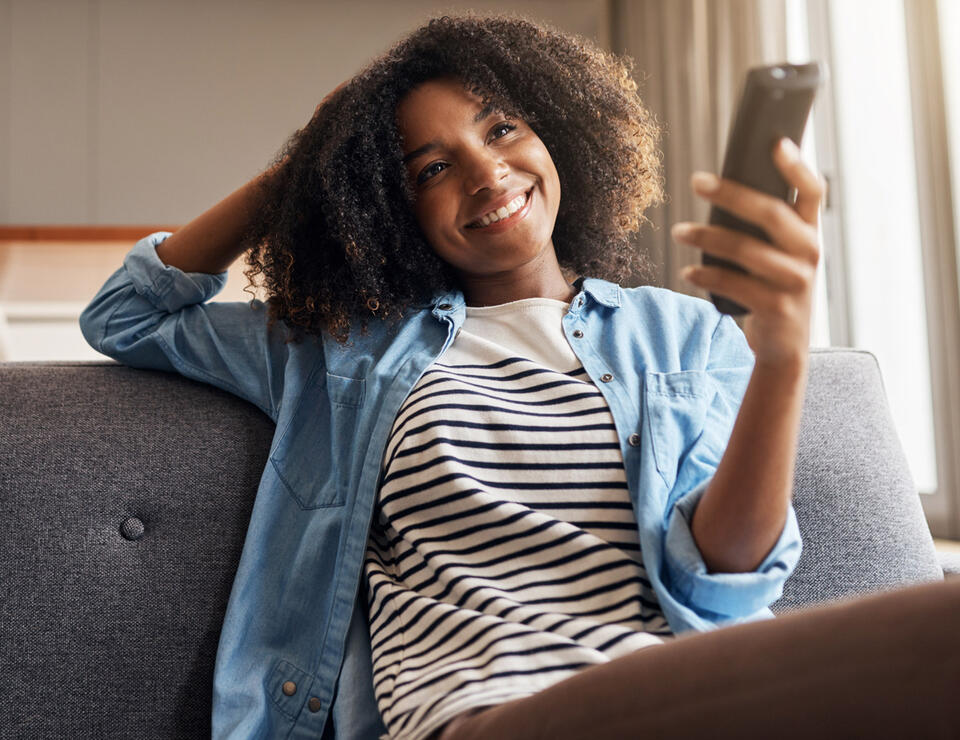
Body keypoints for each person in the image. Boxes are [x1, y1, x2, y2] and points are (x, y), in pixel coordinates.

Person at [79, 12, 959, 740]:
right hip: (480, 713)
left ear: (555, 131)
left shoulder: (680, 334)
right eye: (430, 168)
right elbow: (127, 314)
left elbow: (723, 575)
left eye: (501, 127)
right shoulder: (343, 348)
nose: (486, 170)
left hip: (685, 682)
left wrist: (784, 353)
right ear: (390, 208)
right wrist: (304, 169)